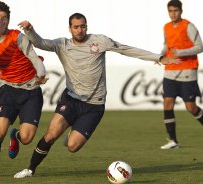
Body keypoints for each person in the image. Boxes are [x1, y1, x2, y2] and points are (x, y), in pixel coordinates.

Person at [14, 13, 180, 178]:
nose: (80, 30)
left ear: (87, 26)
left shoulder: (100, 41)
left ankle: (72, 134)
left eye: (83, 26)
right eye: (76, 27)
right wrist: (30, 30)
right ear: (70, 28)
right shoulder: (62, 44)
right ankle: (30, 169)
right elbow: (41, 43)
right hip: (71, 99)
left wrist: (158, 57)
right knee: (51, 135)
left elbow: (126, 49)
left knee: (72, 146)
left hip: (94, 106)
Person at [0, 1, 48, 178]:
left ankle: (15, 135)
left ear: (8, 20)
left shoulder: (18, 37)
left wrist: (41, 73)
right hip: (8, 89)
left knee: (27, 138)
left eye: (4, 18)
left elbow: (34, 57)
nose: (0, 22)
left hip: (31, 90)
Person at [159, 0, 203, 149]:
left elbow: (200, 46)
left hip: (187, 72)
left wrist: (182, 52)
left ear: (181, 11)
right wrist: (161, 56)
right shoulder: (166, 26)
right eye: (170, 11)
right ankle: (173, 141)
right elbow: (167, 44)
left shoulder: (188, 26)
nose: (173, 13)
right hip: (170, 71)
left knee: (191, 107)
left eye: (175, 10)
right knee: (167, 103)